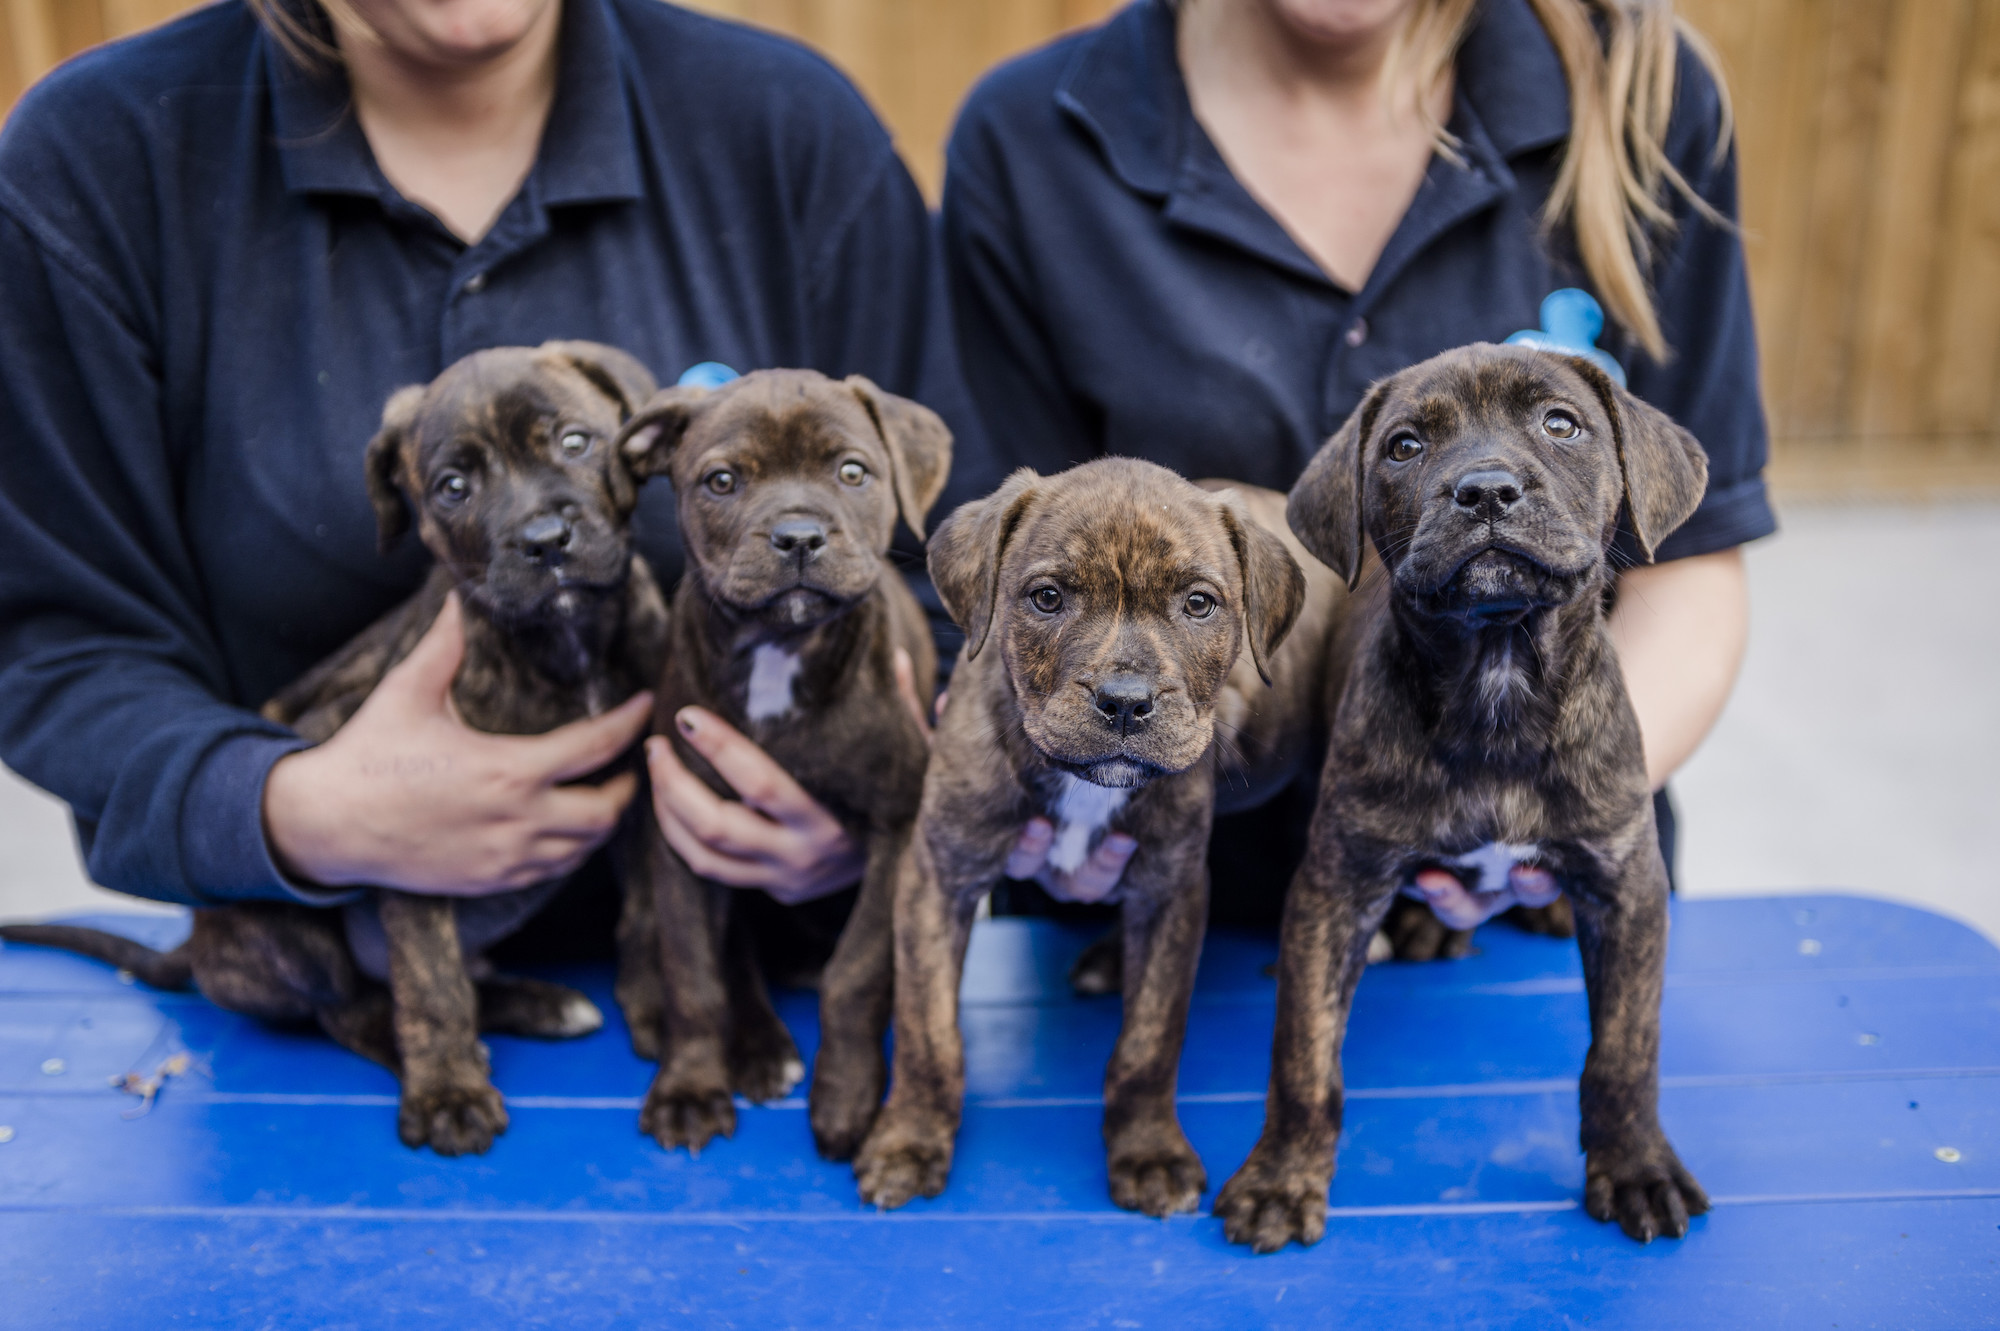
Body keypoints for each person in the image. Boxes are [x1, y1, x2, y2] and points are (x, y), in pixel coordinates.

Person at [0, 0, 988, 923]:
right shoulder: (97, 161)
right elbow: (62, 643)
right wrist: (287, 808)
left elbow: (962, 575)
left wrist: (882, 813)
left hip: (746, 993)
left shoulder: (789, 128)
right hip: (347, 988)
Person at [942, 0, 1773, 929]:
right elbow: (1004, 595)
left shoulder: (1636, 91)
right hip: (1163, 901)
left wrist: (1538, 818)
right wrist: (1065, 813)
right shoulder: (1033, 136)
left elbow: (1691, 571)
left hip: (1531, 908)